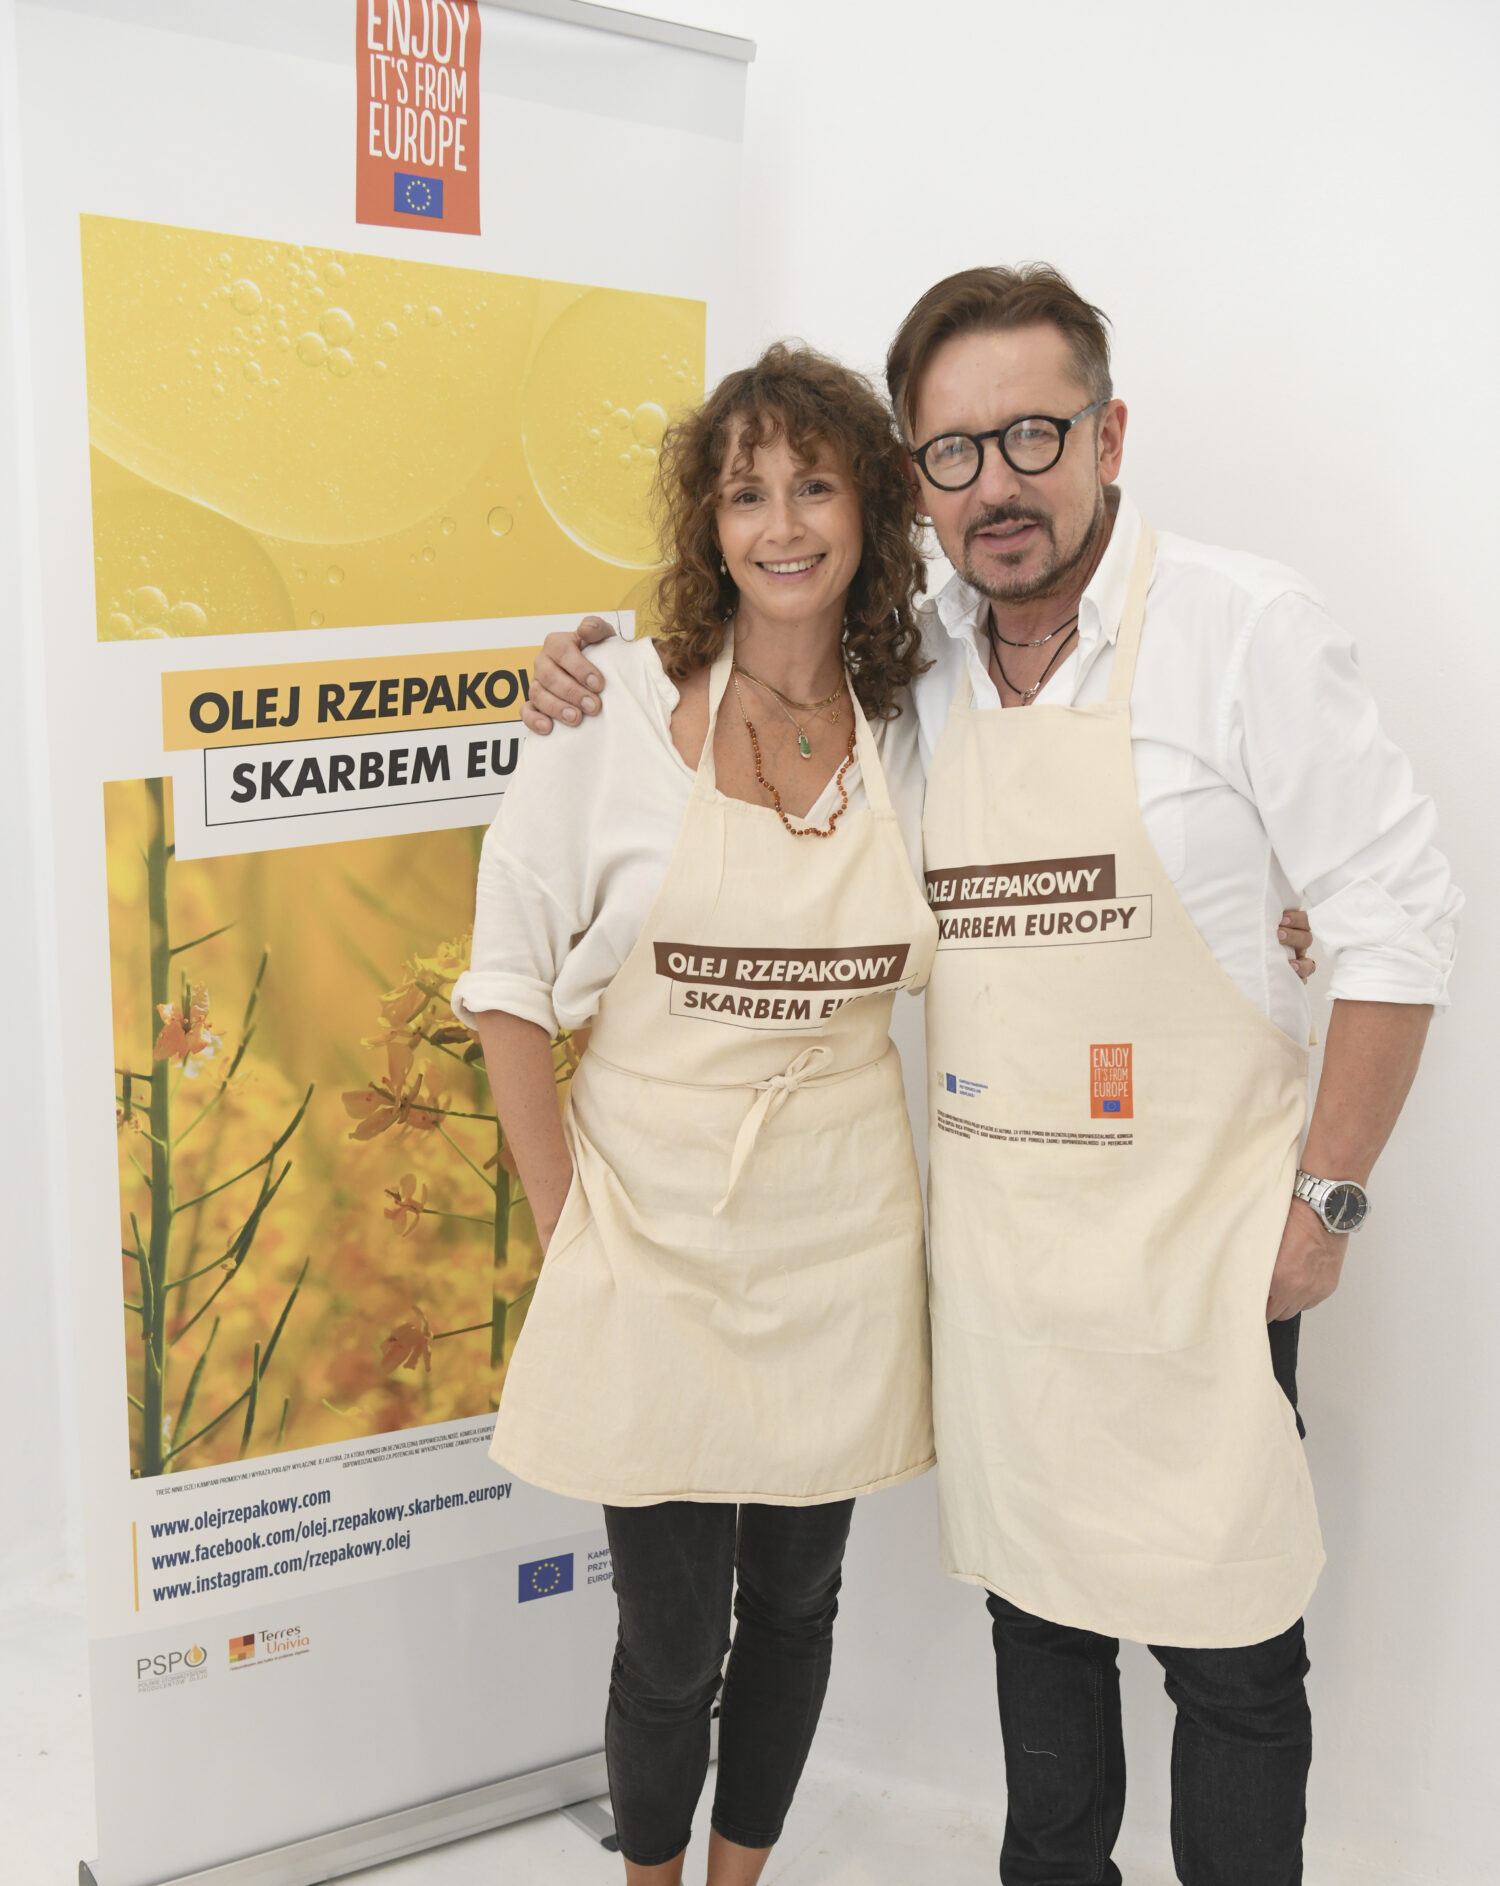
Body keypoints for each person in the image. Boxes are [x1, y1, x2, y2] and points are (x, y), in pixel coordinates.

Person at [521, 266, 1457, 1885]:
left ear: (1108, 431)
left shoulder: (1243, 631)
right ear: (920, 483)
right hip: (1008, 1259)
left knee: (1230, 1655)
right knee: (1042, 1636)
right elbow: (751, 622)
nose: (996, 483)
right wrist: (571, 664)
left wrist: (1327, 1201)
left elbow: (1397, 920)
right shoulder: (921, 675)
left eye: (1032, 434)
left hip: (1206, 1251)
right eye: (952, 451)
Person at [451, 344, 941, 1886]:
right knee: (670, 1638)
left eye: (814, 484)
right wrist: (569, 1229)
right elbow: (506, 987)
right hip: (651, 1225)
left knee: (798, 1602)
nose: (782, 523)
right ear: (706, 526)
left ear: (866, 508)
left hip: (843, 1224)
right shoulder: (605, 716)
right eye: (746, 494)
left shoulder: (919, 729)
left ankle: (739, 1878)